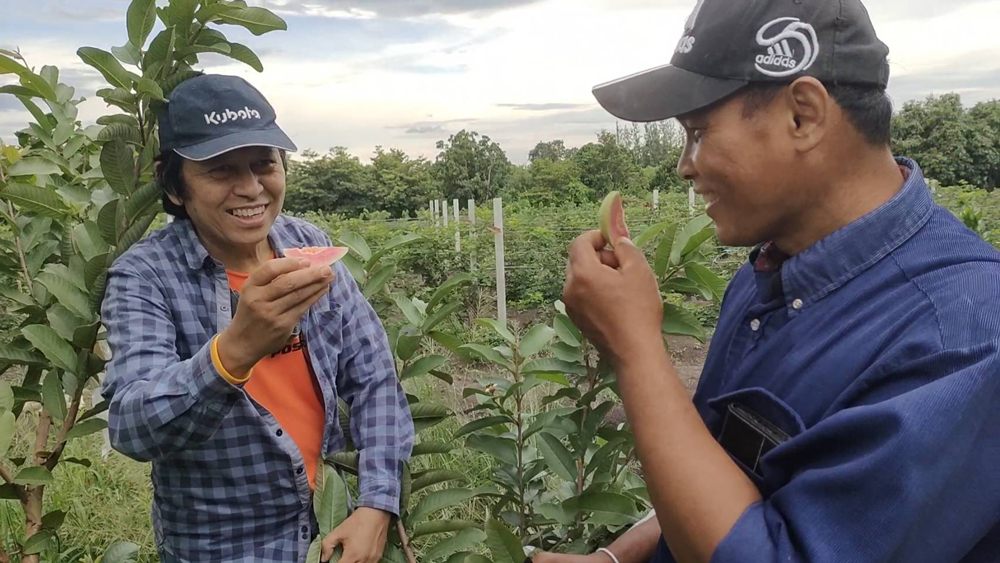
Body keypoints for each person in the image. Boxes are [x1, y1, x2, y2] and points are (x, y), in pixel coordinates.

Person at [553, 0, 1000, 562]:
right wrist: (619, 557)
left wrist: (635, 348)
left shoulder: (961, 338)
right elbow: (732, 478)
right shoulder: (770, 274)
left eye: (697, 132)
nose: (684, 166)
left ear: (803, 116)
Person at [100, 74, 414, 563]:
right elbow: (132, 426)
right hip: (223, 548)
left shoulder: (306, 245)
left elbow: (374, 379)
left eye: (264, 163)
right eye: (220, 170)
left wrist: (376, 504)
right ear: (174, 185)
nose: (251, 188)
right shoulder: (144, 277)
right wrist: (235, 351)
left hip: (330, 525)